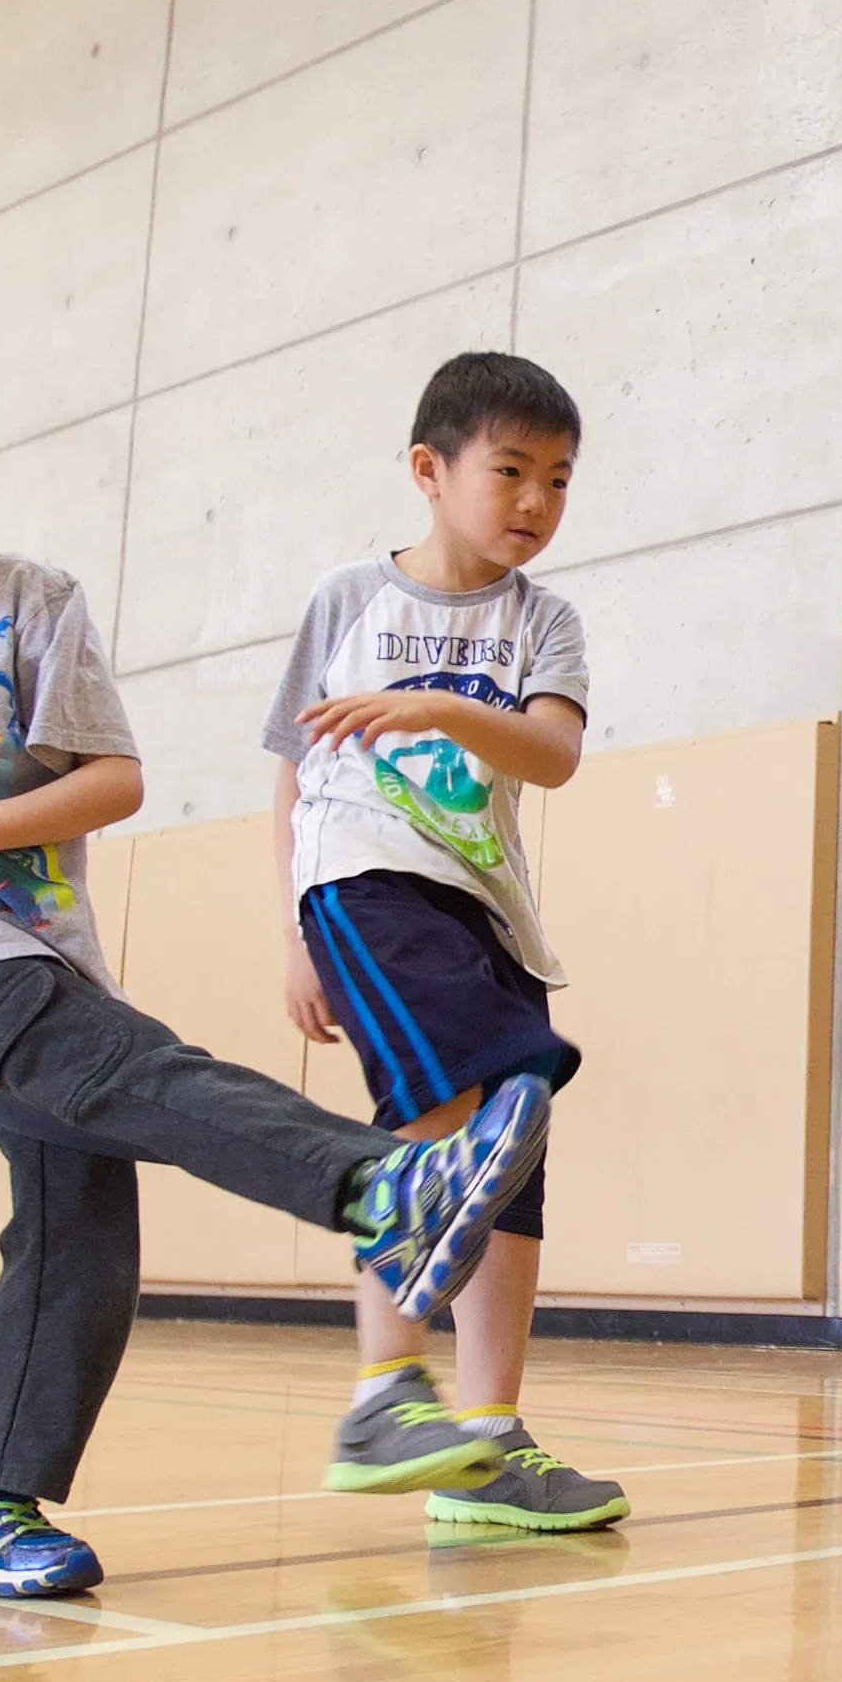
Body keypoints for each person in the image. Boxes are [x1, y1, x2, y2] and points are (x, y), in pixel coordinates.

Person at [0, 305, 550, 1599]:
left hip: (45, 947)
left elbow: (112, 781)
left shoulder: (25, 600)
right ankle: (384, 1185)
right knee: (132, 1074)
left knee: (79, 1224)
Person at [266, 351, 626, 1533]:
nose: (536, 500)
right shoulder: (346, 600)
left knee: (510, 1164)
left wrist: (436, 706)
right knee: (445, 1103)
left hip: (489, 906)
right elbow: (295, 773)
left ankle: (485, 1441)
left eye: (558, 480)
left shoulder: (543, 622)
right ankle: (384, 1388)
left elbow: (553, 755)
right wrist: (295, 934)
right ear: (430, 470)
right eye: (510, 470)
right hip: (363, 880)